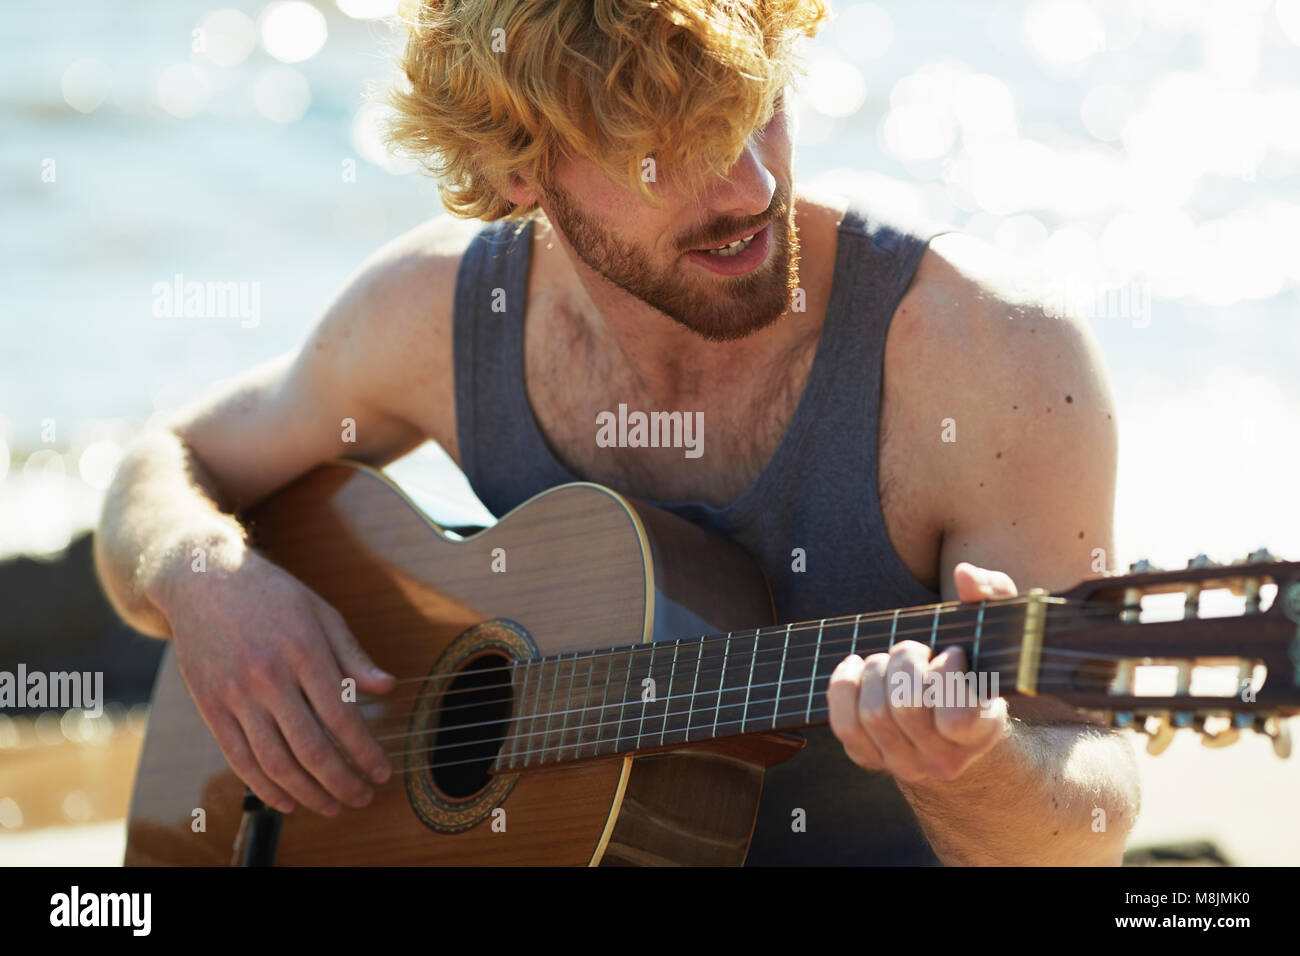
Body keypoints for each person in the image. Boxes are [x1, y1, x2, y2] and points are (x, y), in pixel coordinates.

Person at [95, 0, 1139, 865]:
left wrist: (975, 760)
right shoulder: (440, 315)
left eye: (757, 110)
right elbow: (162, 463)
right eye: (665, 152)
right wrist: (203, 581)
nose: (752, 187)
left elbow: (1089, 812)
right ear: (519, 171)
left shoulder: (990, 353)